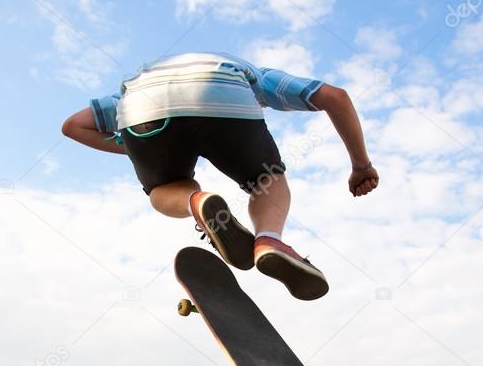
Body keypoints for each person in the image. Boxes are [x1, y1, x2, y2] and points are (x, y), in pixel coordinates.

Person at [61, 51, 377, 300]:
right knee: (267, 180)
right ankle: (270, 240)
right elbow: (335, 97)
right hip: (223, 88)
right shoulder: (253, 73)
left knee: (166, 188)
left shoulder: (139, 81)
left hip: (142, 106)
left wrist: (135, 147)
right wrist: (361, 166)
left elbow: (74, 125)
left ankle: (196, 202)